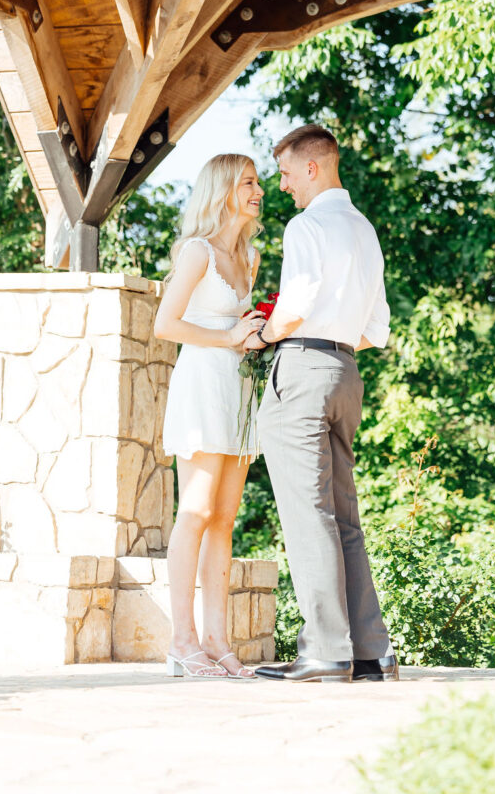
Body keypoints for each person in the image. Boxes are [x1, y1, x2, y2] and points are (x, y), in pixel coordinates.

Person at [245, 124, 399, 684]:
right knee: (343, 518)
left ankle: (326, 650)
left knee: (308, 514)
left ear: (313, 167)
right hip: (346, 372)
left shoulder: (306, 225)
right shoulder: (364, 230)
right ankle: (370, 651)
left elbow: (295, 303)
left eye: (285, 173)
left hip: (305, 371)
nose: (281, 185)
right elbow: (373, 328)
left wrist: (262, 337)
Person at [154, 154, 265, 679]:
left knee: (223, 518)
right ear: (222, 190)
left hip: (238, 392)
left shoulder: (250, 257)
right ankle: (181, 641)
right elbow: (165, 324)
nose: (258, 190)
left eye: (259, 182)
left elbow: (243, 328)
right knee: (194, 512)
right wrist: (227, 337)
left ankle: (218, 641)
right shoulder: (196, 253)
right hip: (201, 384)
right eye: (248, 182)